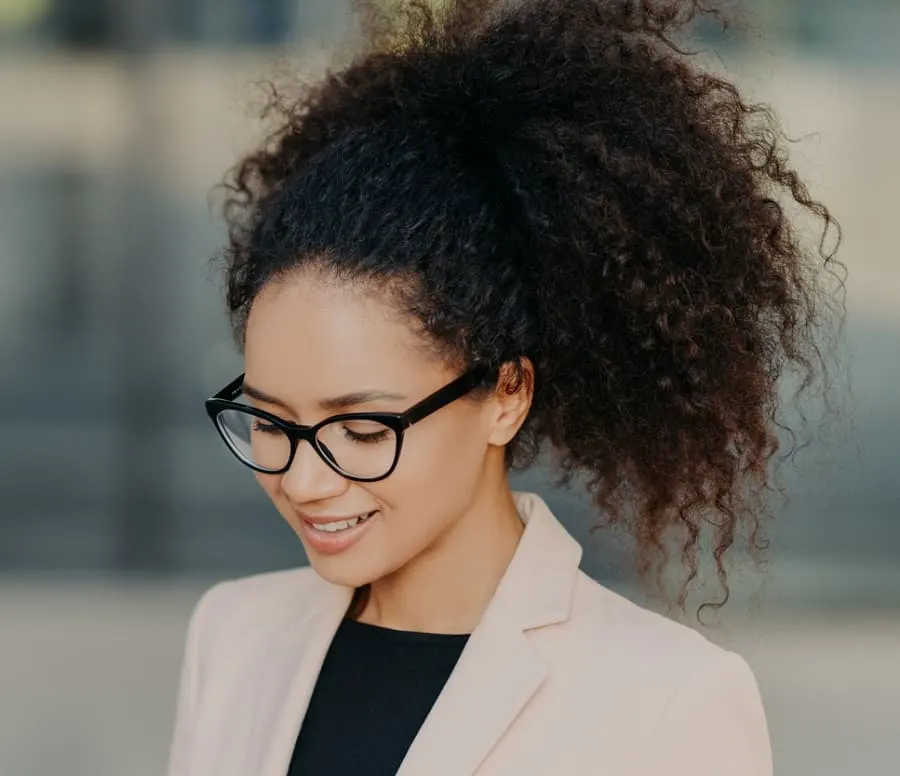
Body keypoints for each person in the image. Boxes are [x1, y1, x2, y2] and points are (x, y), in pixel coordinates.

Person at [165, 1, 842, 774]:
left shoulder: (666, 701)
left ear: (506, 394)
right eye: (271, 421)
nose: (303, 479)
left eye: (361, 430)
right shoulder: (233, 635)